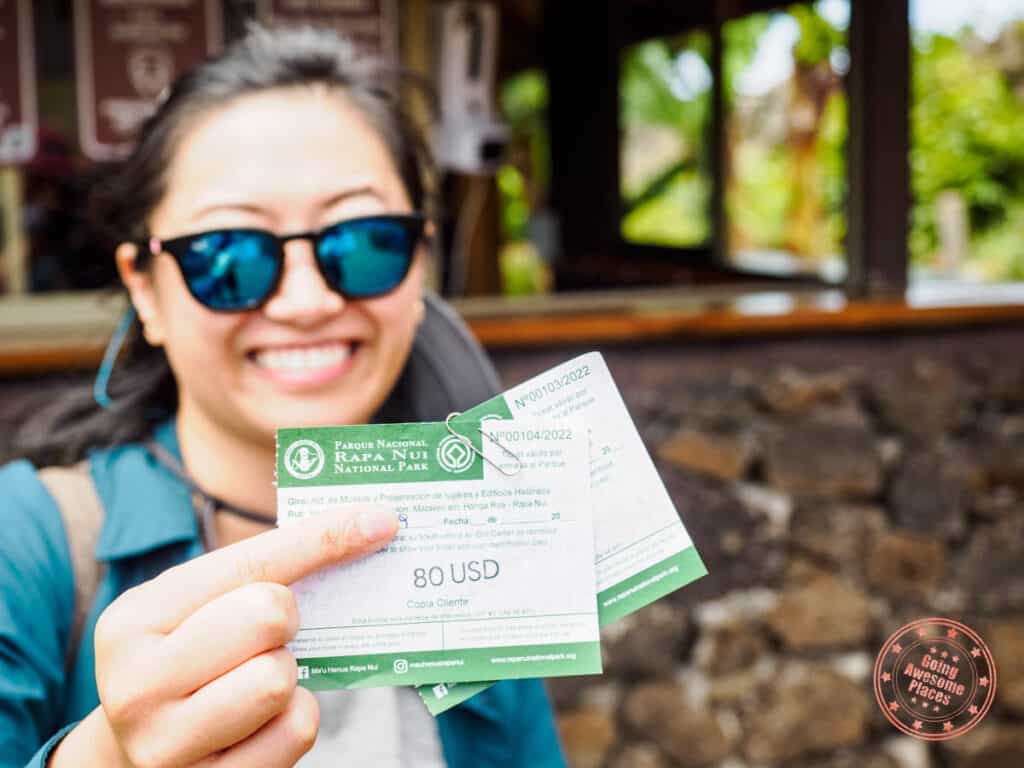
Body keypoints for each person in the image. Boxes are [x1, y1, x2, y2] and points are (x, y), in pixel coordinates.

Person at [0, 25, 563, 768]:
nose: (304, 302)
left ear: (419, 265)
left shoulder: (480, 536)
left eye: (365, 242)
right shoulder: (24, 546)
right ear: (147, 291)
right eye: (228, 254)